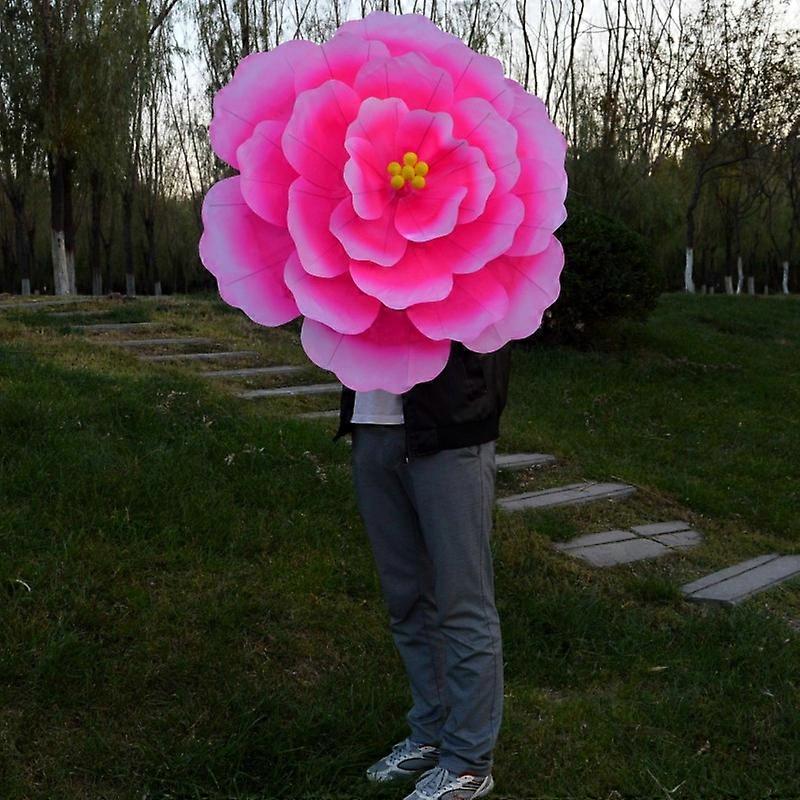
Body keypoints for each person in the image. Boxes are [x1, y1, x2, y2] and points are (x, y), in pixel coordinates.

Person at [332, 339, 512, 800]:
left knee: (462, 600)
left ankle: (469, 763)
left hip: (450, 425)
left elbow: (493, 318)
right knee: (406, 596)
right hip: (373, 424)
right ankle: (430, 733)